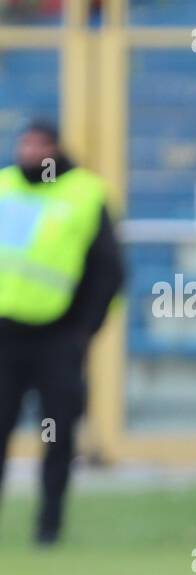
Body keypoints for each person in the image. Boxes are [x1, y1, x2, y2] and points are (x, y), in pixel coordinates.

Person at [0, 119, 124, 546]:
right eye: (25, 144)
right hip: (6, 334)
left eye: (39, 145)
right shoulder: (4, 186)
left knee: (56, 431)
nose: (31, 153)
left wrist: (82, 330)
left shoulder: (83, 193)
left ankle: (48, 528)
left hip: (58, 337)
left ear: (55, 149)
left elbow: (107, 268)